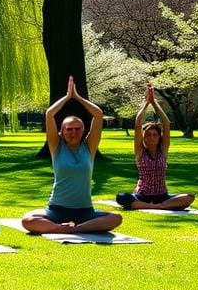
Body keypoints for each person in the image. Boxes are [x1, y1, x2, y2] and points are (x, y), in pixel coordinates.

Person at [21, 76, 122, 234]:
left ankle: (74, 229)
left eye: (77, 129)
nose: (73, 132)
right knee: (27, 220)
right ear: (61, 132)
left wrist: (78, 98)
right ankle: (63, 228)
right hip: (56, 210)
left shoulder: (90, 147)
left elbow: (98, 114)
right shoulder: (56, 147)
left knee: (116, 218)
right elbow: (49, 114)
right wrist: (67, 97)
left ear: (83, 132)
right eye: (69, 129)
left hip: (85, 211)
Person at [116, 84, 195, 210]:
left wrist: (155, 103)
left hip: (162, 195)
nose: (151, 137)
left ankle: (158, 205)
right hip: (142, 195)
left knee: (189, 197)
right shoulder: (140, 151)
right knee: (121, 197)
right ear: (144, 137)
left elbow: (166, 123)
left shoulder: (163, 151)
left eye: (154, 135)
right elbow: (138, 124)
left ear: (159, 137)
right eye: (148, 135)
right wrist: (147, 104)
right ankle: (158, 206)